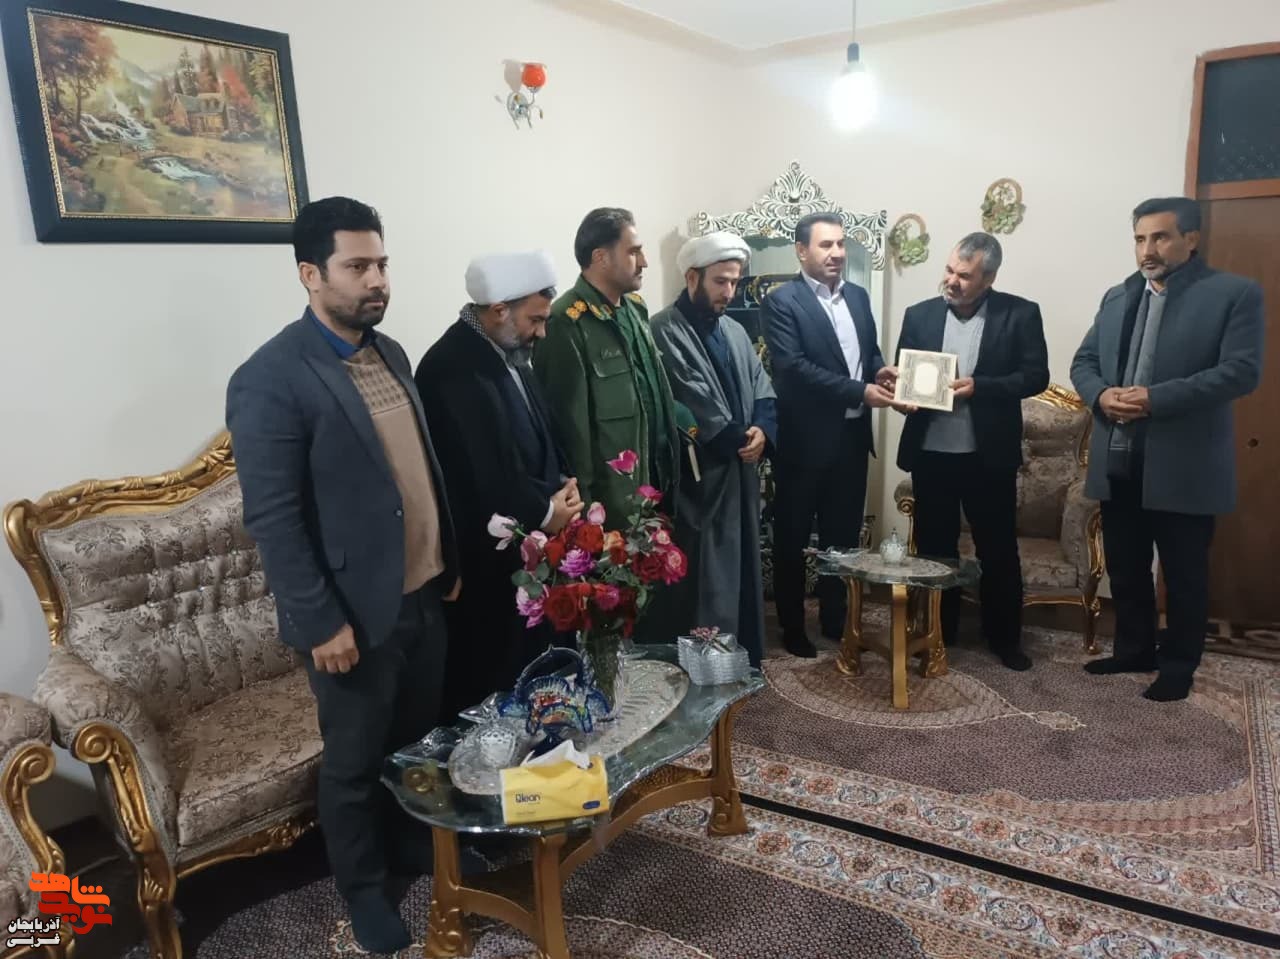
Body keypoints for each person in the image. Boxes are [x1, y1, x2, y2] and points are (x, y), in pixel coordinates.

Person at [226, 197, 460, 953]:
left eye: (381, 263)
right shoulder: (269, 378)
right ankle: (363, 890)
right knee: (354, 762)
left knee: (417, 742)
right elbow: (273, 518)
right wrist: (320, 620)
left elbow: (417, 471)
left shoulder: (390, 354)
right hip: (351, 614)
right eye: (357, 266)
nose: (377, 280)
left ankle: (411, 844)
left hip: (422, 594)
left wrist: (446, 561)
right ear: (310, 274)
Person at [1071, 196, 1264, 701]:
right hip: (1119, 460)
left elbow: (1240, 372)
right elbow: (1083, 362)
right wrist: (1101, 395)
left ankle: (1178, 666)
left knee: (1183, 576)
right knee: (1126, 568)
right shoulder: (1118, 296)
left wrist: (1156, 400)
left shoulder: (1233, 294)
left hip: (1185, 466)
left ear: (1191, 239)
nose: (1147, 250)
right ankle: (1133, 650)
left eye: (1160, 237)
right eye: (1140, 238)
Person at [415, 251, 582, 718]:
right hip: (489, 568)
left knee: (547, 683)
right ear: (499, 310)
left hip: (535, 548)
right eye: (535, 320)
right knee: (499, 693)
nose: (541, 332)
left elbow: (542, 432)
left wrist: (566, 483)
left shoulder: (509, 349)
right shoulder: (451, 366)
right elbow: (481, 470)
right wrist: (547, 512)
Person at [890, 232, 1048, 671]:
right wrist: (901, 394)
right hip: (931, 454)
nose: (952, 281)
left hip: (987, 456)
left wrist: (981, 387)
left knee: (997, 550)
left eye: (964, 275)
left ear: (989, 278)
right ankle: (938, 633)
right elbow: (906, 376)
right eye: (949, 270)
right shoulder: (919, 314)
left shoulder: (1019, 313)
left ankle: (1005, 639)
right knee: (935, 551)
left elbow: (1036, 375)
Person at [763, 212, 895, 657]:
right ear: (801, 251)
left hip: (853, 440)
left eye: (840, 244)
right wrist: (860, 390)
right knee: (792, 539)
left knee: (843, 540)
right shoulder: (782, 302)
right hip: (803, 444)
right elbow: (794, 369)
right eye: (826, 245)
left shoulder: (857, 296)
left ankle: (837, 620)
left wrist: (881, 370)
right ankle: (792, 627)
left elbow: (867, 352)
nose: (837, 252)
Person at [650, 232, 778, 666]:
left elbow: (762, 385)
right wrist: (743, 439)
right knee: (707, 578)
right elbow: (696, 402)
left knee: (740, 570)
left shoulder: (735, 330)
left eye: (735, 282)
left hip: (740, 472)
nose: (729, 291)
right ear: (692, 278)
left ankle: (742, 660)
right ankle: (707, 670)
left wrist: (763, 429)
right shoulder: (664, 330)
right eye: (721, 281)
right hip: (701, 481)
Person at [532, 207, 680, 530]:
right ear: (600, 257)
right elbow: (568, 432)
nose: (644, 262)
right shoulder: (566, 323)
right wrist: (586, 521)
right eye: (633, 252)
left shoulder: (635, 310)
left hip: (654, 492)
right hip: (611, 509)